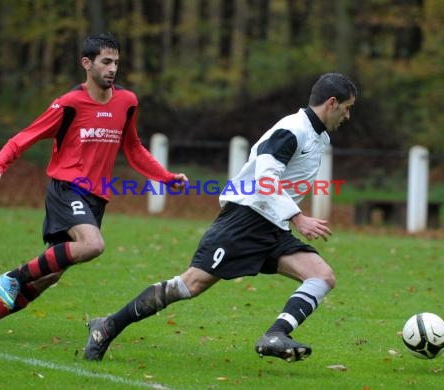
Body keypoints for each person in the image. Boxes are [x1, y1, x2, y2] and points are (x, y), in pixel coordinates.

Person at [84, 72, 358, 362]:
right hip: (244, 220)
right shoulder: (292, 129)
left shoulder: (319, 137)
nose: (348, 115)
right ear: (331, 103)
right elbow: (266, 178)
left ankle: (276, 335)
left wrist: (288, 217)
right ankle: (107, 326)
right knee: (190, 285)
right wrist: (298, 217)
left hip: (272, 226)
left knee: (322, 276)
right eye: (347, 107)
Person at [0, 33, 187, 341]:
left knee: (49, 276)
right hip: (67, 188)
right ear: (86, 64)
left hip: (96, 197)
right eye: (106, 62)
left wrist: (166, 177)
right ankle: (13, 276)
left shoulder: (127, 102)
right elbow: (27, 135)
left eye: (116, 62)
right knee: (92, 245)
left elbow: (133, 148)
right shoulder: (69, 104)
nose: (113, 68)